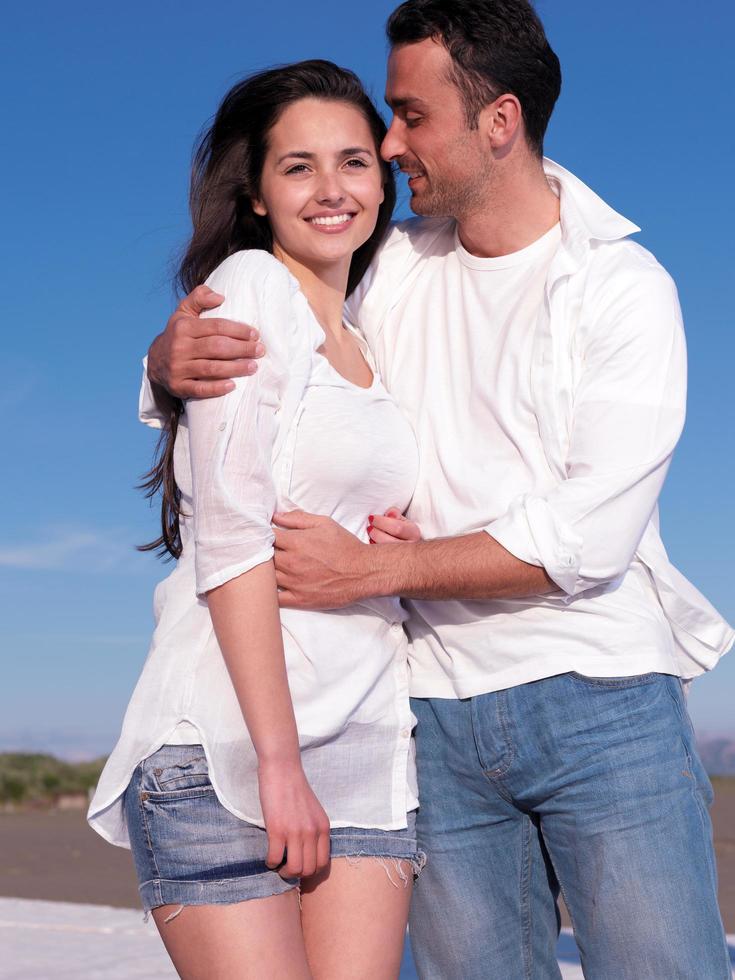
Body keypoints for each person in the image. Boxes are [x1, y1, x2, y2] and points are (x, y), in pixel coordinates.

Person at [145, 2, 734, 978]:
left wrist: (375, 567)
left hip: (601, 695)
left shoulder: (624, 288)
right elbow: (283, 341)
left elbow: (584, 537)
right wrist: (167, 363)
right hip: (431, 709)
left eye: (411, 115)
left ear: (498, 122)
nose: (386, 143)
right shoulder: (396, 269)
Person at [88, 61, 427, 980]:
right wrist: (278, 766)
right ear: (256, 196)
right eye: (298, 167)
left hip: (365, 749)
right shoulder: (249, 290)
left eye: (355, 162)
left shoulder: (368, 330)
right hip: (228, 748)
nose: (332, 190)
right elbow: (234, 541)